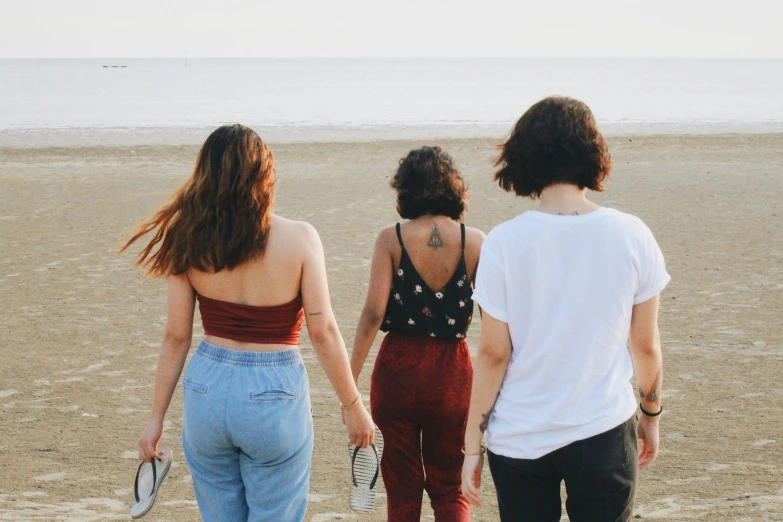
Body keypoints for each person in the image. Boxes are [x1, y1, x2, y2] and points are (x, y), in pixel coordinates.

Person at [121, 124, 375, 522]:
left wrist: (155, 420)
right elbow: (322, 331)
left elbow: (176, 336)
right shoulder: (300, 238)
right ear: (264, 175)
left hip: (206, 388)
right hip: (273, 394)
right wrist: (353, 405)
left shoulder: (185, 237)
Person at [461, 97, 670, 522]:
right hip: (603, 428)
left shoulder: (503, 242)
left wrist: (471, 446)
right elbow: (644, 347)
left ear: (523, 156)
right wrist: (651, 414)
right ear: (594, 152)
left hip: (519, 436)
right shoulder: (632, 234)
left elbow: (493, 354)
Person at [351, 146, 485, 521]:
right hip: (452, 372)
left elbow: (373, 314)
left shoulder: (391, 239)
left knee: (403, 485)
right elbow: (493, 322)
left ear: (405, 189)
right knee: (449, 484)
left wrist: (350, 378)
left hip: (398, 368)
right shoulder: (474, 242)